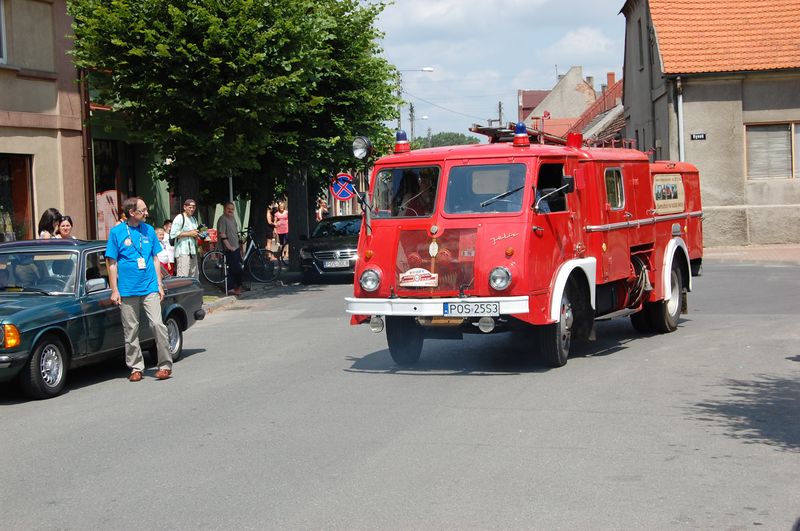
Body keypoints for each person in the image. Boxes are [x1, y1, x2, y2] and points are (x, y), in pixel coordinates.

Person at [105, 196, 172, 382]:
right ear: (132, 213)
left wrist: (159, 284)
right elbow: (111, 263)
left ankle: (165, 365)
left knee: (157, 324)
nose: (147, 213)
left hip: (149, 285)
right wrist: (114, 289)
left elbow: (156, 258)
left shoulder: (149, 230)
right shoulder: (117, 232)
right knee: (131, 329)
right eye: (143, 210)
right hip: (127, 288)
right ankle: (136, 367)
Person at [216, 201, 242, 296]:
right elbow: (222, 234)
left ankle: (235, 287)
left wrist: (239, 244)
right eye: (228, 209)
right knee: (236, 268)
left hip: (236, 247)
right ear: (224, 209)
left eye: (232, 209)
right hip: (229, 249)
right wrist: (229, 247)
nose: (230, 210)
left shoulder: (233, 218)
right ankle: (234, 287)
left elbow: (235, 232)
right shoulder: (223, 219)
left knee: (235, 268)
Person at [169, 199, 200, 278]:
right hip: (182, 252)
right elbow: (173, 234)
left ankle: (192, 290)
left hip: (193, 251)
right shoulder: (179, 218)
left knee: (194, 275)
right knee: (183, 276)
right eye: (190, 207)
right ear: (184, 207)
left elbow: (195, 233)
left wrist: (199, 234)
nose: (192, 209)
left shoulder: (194, 219)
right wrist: (190, 233)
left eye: (194, 207)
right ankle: (181, 290)